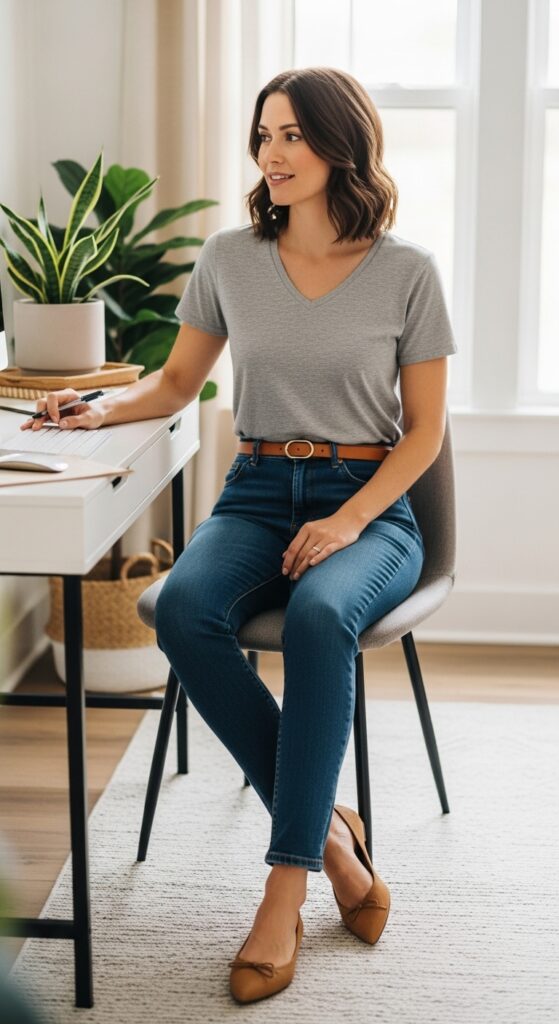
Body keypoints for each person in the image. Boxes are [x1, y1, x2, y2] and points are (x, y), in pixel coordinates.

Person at [22, 66, 457, 1004]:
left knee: (318, 617)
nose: (272, 152)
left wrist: (346, 519)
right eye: (264, 134)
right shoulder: (228, 258)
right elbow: (177, 384)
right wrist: (96, 406)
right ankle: (333, 841)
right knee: (183, 608)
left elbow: (423, 433)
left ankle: (284, 888)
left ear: (343, 143)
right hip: (257, 491)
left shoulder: (407, 272)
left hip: (368, 504)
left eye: (293, 134)